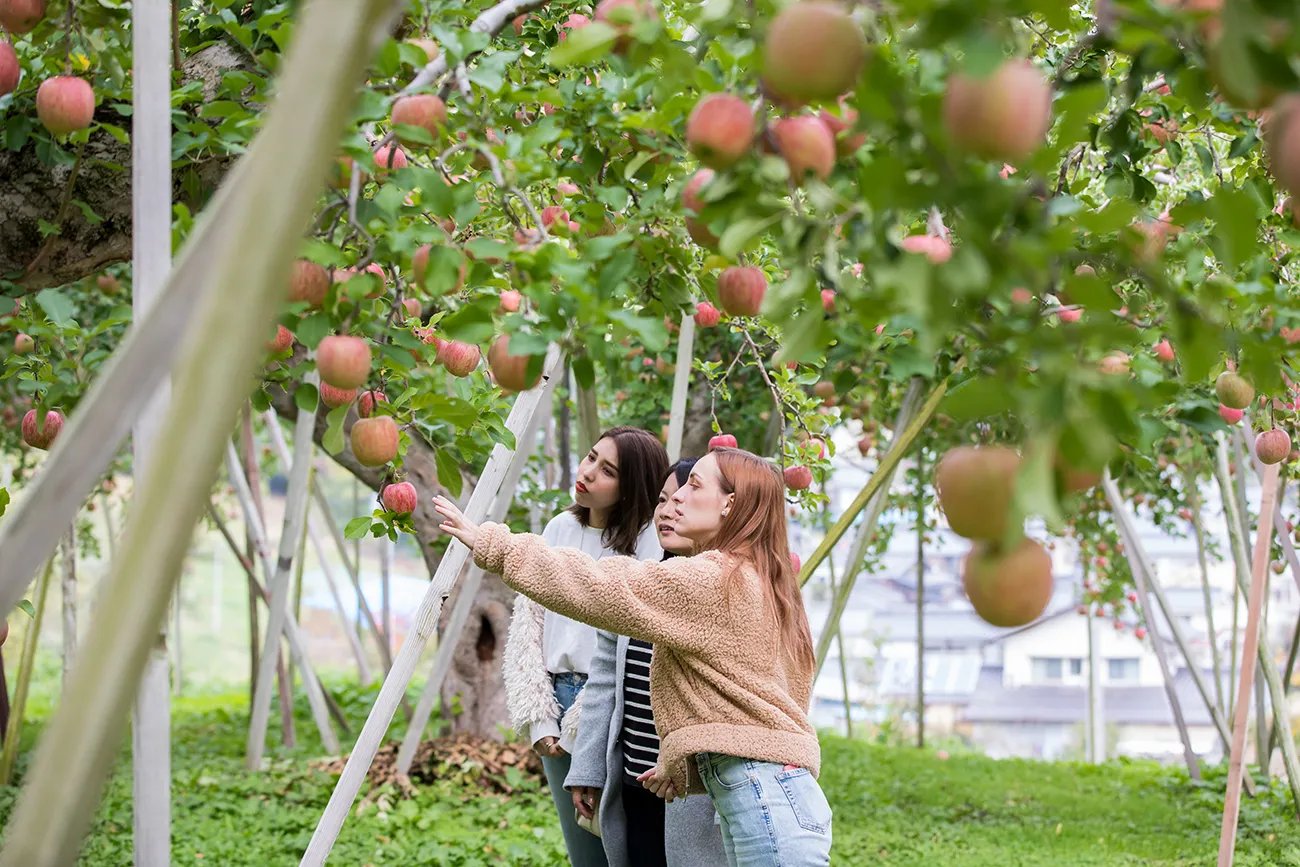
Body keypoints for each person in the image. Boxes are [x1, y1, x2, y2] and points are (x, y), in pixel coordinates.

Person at [435, 448, 832, 867]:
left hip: (764, 799)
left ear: (730, 503)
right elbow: (758, 699)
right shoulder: (764, 577)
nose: (676, 497)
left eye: (694, 485)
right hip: (781, 791)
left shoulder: (715, 577)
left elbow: (603, 586)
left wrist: (495, 546)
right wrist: (681, 757)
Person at [500, 426, 668, 867]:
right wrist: (539, 719)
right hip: (555, 699)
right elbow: (528, 627)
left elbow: (632, 647)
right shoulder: (559, 527)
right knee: (583, 848)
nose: (588, 472)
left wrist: (586, 723)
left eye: (608, 469)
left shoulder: (650, 542)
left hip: (614, 709)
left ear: (632, 487)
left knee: (622, 842)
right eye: (591, 457)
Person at [565, 458, 727, 867]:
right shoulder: (639, 586)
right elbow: (603, 681)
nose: (667, 509)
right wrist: (588, 768)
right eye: (662, 499)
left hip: (693, 794)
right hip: (633, 782)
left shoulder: (726, 595)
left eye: (683, 498)